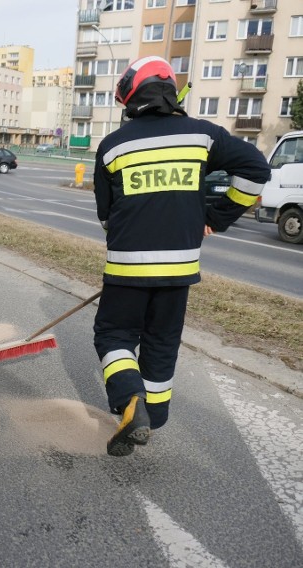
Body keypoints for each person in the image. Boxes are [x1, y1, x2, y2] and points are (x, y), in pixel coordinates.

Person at [92, 56, 270, 456]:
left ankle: (130, 403)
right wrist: (216, 216)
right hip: (180, 267)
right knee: (161, 340)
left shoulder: (113, 145)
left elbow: (106, 214)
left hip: (126, 268)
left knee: (114, 335)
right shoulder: (203, 135)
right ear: (172, 91)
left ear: (129, 96)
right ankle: (152, 417)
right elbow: (256, 170)